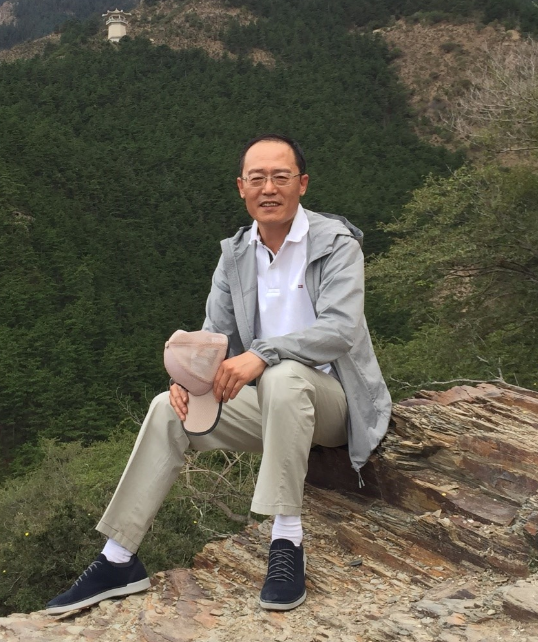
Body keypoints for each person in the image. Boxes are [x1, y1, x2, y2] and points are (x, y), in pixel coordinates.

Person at [46, 133, 392, 615]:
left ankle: (286, 541)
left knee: (284, 376)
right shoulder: (235, 255)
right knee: (168, 409)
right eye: (257, 178)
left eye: (281, 177)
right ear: (241, 187)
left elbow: (340, 329)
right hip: (271, 407)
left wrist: (263, 354)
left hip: (333, 403)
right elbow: (216, 338)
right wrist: (188, 380)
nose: (268, 188)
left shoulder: (336, 243)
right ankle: (118, 558)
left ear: (302, 184)